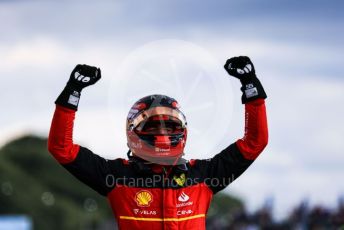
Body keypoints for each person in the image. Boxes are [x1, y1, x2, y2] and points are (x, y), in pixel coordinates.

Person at [48, 56, 268, 230]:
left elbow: (255, 142)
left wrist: (251, 88)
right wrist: (72, 93)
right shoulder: (115, 176)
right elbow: (61, 148)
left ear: (183, 131)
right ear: (133, 132)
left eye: (170, 127)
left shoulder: (203, 175)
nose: (162, 135)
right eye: (153, 127)